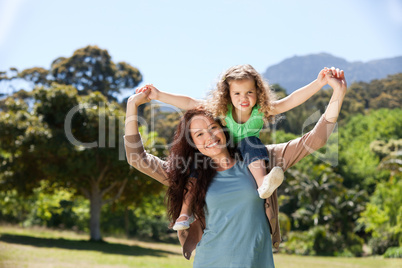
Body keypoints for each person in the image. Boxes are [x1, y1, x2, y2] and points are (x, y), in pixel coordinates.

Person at [125, 67, 347, 266]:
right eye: (199, 134)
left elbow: (316, 139)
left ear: (223, 127)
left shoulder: (263, 158)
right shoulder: (189, 174)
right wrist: (132, 106)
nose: (209, 137)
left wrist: (338, 93)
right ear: (192, 142)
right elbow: (137, 157)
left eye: (213, 128)